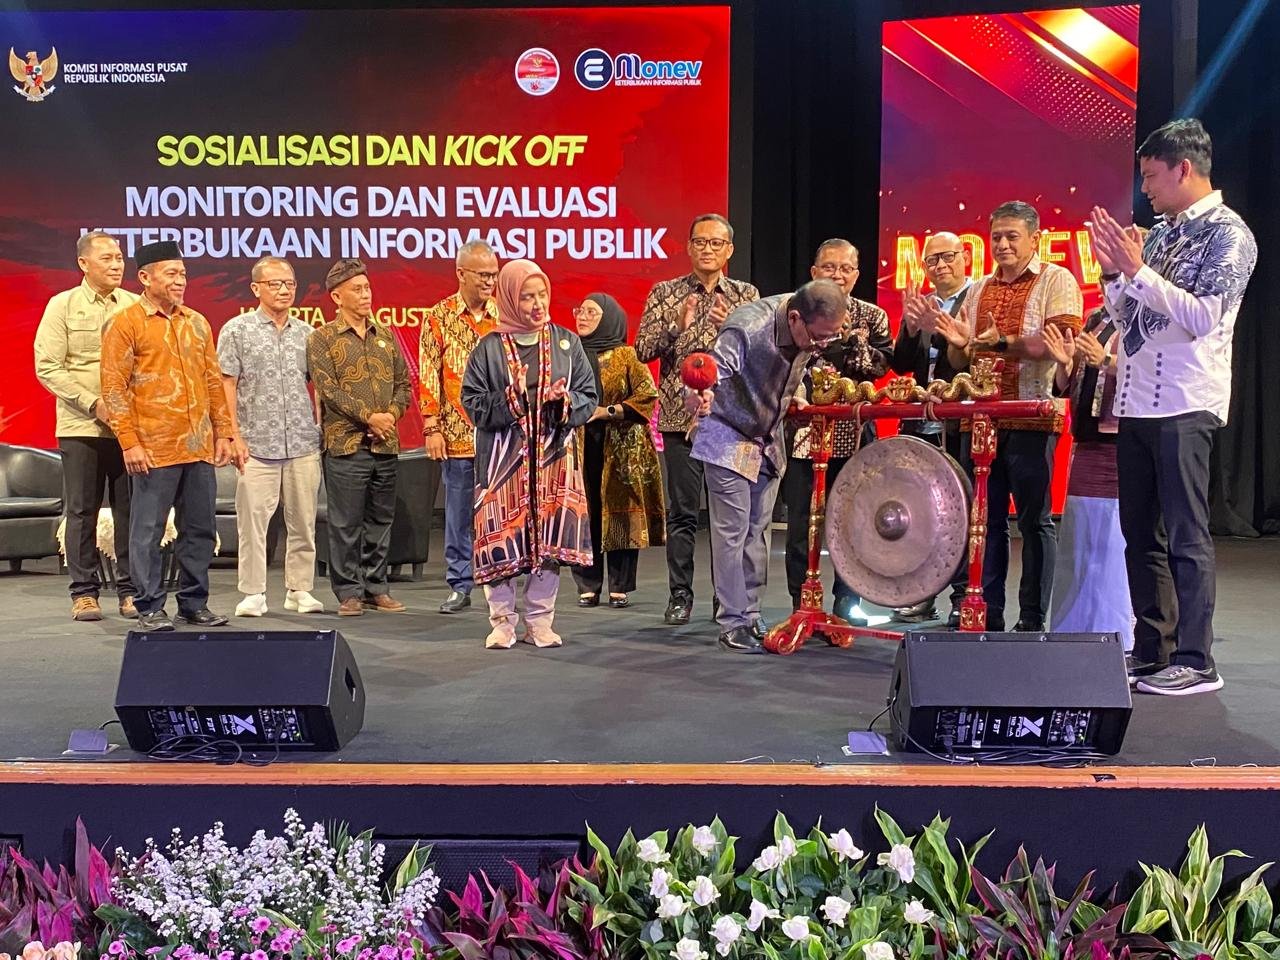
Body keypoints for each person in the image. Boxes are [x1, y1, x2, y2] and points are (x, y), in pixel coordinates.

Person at [1089, 118, 1257, 695]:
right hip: (1137, 401)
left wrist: (1136, 270)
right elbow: (1128, 320)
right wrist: (1113, 272)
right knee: (1140, 535)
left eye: (1151, 176)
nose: (1146, 189)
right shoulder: (1161, 235)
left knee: (1186, 534)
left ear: (1184, 169)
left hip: (1186, 401)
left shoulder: (1229, 234)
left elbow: (1204, 317)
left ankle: (1196, 658)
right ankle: (1151, 649)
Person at [688, 279, 849, 653]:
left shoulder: (808, 329)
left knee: (757, 530)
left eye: (831, 337)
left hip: (766, 437)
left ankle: (751, 612)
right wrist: (700, 393)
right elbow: (712, 371)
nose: (823, 345)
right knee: (733, 531)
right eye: (819, 337)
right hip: (727, 433)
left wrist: (799, 395)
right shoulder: (747, 327)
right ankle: (732, 621)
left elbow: (794, 371)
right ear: (795, 319)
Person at [944, 201, 1083, 632]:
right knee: (985, 521)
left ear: (1035, 239)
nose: (1002, 244)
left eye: (1012, 236)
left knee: (1034, 520)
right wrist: (958, 343)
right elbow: (960, 358)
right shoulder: (977, 289)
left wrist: (1000, 342)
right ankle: (986, 612)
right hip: (981, 421)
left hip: (1031, 419)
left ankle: (1032, 619)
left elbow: (1058, 343)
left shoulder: (1056, 279)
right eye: (996, 237)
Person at [99, 240, 234, 632]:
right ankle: (149, 607)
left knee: (200, 530)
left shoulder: (197, 322)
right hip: (153, 449)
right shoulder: (126, 323)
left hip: (198, 446)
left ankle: (193, 603)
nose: (180, 281)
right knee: (148, 532)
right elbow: (114, 388)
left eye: (183, 274)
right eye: (171, 273)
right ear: (145, 277)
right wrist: (129, 442)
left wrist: (223, 433)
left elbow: (213, 382)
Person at [461, 259, 597, 649]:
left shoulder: (567, 343)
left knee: (549, 539)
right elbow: (472, 404)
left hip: (553, 462)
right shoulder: (488, 349)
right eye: (527, 297)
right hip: (502, 466)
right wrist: (511, 397)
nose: (538, 305)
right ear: (508, 298)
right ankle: (502, 622)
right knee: (500, 539)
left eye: (542, 295)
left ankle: (540, 621)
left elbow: (588, 396)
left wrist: (563, 401)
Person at [635, 214, 759, 626]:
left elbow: (758, 355)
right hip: (678, 418)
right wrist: (676, 327)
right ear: (689, 247)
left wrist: (733, 328)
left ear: (729, 250)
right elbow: (642, 350)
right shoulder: (665, 292)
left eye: (716, 243)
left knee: (731, 519)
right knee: (683, 514)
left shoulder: (746, 295)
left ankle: (728, 599)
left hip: (730, 421)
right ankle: (680, 595)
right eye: (700, 242)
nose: (707, 249)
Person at [781, 240, 890, 624]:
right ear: (814, 272)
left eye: (846, 268)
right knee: (800, 526)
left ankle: (848, 600)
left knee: (853, 524)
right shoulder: (793, 312)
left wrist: (849, 341)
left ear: (856, 275)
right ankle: (801, 600)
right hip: (804, 434)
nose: (838, 275)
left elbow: (880, 367)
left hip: (855, 434)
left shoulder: (872, 316)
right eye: (829, 267)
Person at [33, 232, 139, 621]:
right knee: (81, 510)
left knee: (132, 510)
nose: (116, 264)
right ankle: (84, 592)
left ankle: (131, 591)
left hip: (130, 428)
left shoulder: (135, 305)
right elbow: (47, 366)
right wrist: (93, 403)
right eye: (107, 258)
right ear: (83, 263)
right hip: (81, 425)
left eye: (119, 257)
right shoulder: (62, 305)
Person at [217, 256, 324, 617]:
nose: (283, 290)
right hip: (255, 444)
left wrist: (319, 427)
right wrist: (232, 434)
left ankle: (300, 589)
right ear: (256, 288)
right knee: (253, 524)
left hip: (302, 443)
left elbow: (319, 387)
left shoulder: (308, 334)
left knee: (303, 521)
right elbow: (226, 385)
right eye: (275, 283)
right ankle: (253, 592)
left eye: (289, 284)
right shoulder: (237, 330)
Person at [307, 259, 411, 617]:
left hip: (385, 444)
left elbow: (403, 385)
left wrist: (390, 416)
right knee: (345, 523)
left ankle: (375, 587)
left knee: (380, 521)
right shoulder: (322, 339)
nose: (366, 294)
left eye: (367, 288)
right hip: (345, 444)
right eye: (357, 289)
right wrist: (369, 417)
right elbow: (328, 390)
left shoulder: (386, 336)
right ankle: (349, 592)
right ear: (337, 297)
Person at [892, 231, 974, 623]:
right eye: (932, 260)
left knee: (959, 513)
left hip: (958, 424)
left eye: (947, 257)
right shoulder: (923, 304)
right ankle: (921, 594)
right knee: (920, 514)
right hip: (919, 423)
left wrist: (944, 329)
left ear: (965, 257)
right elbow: (901, 364)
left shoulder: (976, 298)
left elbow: (969, 361)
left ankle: (962, 596)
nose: (940, 266)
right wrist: (910, 328)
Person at [1044, 308, 1133, 650]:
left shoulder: (1144, 315)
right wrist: (1066, 365)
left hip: (1120, 442)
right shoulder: (1097, 318)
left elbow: (1155, 373)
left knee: (1111, 543)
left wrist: (1107, 360)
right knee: (1080, 540)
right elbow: (1075, 386)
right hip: (1087, 442)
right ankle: (1074, 630)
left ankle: (1117, 635)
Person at [570, 293, 665, 608]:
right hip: (580, 445)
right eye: (580, 310)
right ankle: (587, 584)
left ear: (609, 318)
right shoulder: (569, 353)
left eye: (591, 312)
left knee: (621, 515)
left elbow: (647, 396)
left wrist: (607, 411)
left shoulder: (627, 355)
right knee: (584, 513)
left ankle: (619, 586)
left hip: (621, 447)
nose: (582, 316)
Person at [420, 241, 500, 614]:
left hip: (500, 433)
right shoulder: (438, 316)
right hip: (455, 432)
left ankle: (498, 576)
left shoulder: (505, 315)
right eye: (483, 275)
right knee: (457, 512)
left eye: (494, 275)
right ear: (461, 273)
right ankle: (460, 582)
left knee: (499, 509)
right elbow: (428, 373)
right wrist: (431, 426)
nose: (489, 282)